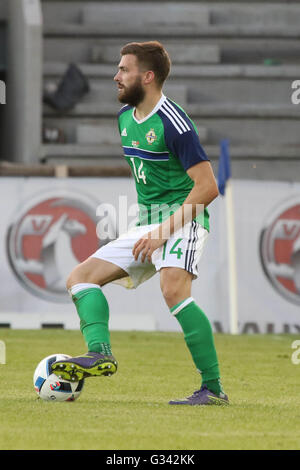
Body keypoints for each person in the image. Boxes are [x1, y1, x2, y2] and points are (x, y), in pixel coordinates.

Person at [52, 41, 229, 406]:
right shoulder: (124, 118)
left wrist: (162, 233)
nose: (116, 76)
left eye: (124, 70)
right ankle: (99, 353)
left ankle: (213, 389)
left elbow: (208, 187)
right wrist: (150, 230)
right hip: (148, 221)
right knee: (80, 278)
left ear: (147, 77)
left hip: (185, 217)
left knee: (173, 290)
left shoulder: (173, 123)